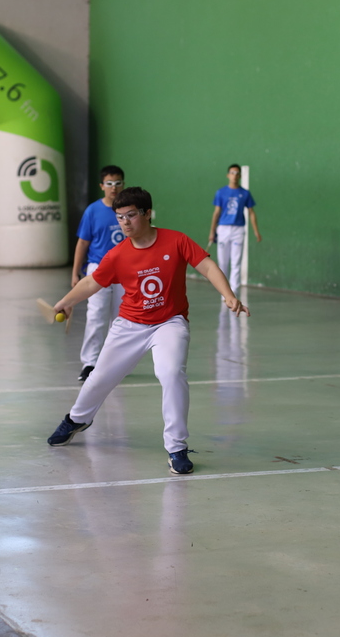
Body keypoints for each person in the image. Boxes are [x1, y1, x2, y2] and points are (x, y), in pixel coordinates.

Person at [47, 187, 249, 475]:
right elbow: (92, 282)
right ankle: (77, 419)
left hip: (170, 323)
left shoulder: (176, 240)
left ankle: (176, 448)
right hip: (129, 324)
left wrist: (228, 295)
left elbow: (207, 266)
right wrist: (66, 302)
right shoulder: (118, 254)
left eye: (130, 215)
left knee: (171, 373)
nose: (125, 222)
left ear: (147, 213)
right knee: (99, 378)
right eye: (120, 217)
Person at [71, 166, 126, 382]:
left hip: (125, 270)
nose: (114, 188)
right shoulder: (92, 211)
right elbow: (83, 243)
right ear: (102, 186)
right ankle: (90, 363)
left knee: (122, 318)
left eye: (118, 183)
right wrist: (75, 273)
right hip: (98, 269)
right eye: (109, 184)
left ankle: (116, 362)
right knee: (96, 315)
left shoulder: (128, 210)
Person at [207, 163, 261, 296]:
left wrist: (256, 231)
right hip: (223, 229)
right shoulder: (221, 192)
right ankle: (224, 293)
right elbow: (216, 213)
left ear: (240, 176)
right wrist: (212, 232)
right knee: (223, 263)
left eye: (237, 173)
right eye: (232, 173)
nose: (234, 176)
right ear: (228, 175)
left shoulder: (245, 193)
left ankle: (234, 292)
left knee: (236, 262)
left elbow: (251, 213)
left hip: (238, 230)